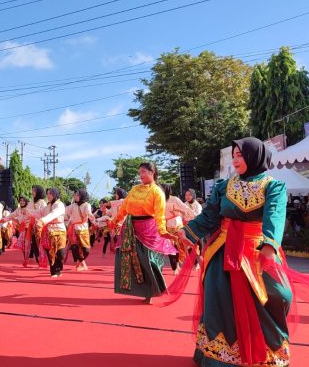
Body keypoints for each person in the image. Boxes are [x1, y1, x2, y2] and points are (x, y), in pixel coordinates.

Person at [180, 137, 292, 366]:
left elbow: (275, 215)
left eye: (240, 155)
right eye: (234, 155)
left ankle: (267, 353)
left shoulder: (273, 186)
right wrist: (188, 232)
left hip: (258, 250)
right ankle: (220, 358)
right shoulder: (224, 186)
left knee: (279, 295)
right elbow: (210, 216)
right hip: (223, 250)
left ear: (255, 156)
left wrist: (269, 245)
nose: (235, 159)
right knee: (219, 298)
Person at [112, 162, 178, 304]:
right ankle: (141, 291)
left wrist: (163, 231)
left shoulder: (157, 191)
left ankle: (152, 291)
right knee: (130, 259)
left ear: (152, 172)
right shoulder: (134, 189)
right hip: (131, 227)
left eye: (143, 171)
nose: (140, 175)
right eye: (139, 172)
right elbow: (124, 208)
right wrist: (114, 221)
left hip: (149, 228)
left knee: (147, 260)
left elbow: (159, 215)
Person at [36, 187, 67, 277]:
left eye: (50, 194)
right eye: (48, 194)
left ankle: (59, 267)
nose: (48, 196)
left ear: (55, 194)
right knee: (51, 251)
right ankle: (54, 271)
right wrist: (27, 211)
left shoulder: (60, 205)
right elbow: (38, 212)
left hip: (59, 230)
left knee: (60, 253)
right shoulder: (47, 207)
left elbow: (53, 214)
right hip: (49, 231)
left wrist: (43, 221)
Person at [66, 188, 93, 271]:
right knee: (74, 247)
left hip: (83, 228)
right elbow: (65, 211)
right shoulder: (73, 205)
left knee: (86, 249)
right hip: (74, 228)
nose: (75, 196)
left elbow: (88, 213)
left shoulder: (86, 205)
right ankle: (81, 262)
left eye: (77, 195)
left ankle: (80, 261)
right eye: (75, 194)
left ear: (82, 196)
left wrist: (94, 221)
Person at [27, 185, 48, 268]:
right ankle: (38, 260)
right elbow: (27, 214)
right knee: (34, 244)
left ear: (38, 192)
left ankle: (43, 260)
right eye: (32, 190)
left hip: (40, 227)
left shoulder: (42, 203)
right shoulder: (30, 202)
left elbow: (43, 214)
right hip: (32, 226)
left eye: (34, 191)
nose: (32, 192)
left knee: (41, 244)